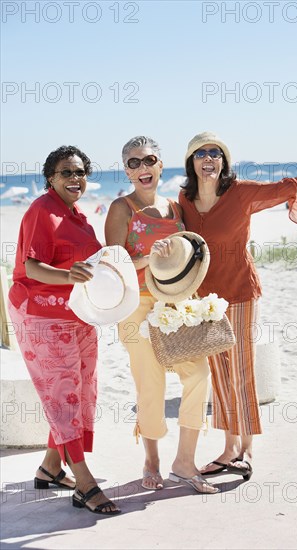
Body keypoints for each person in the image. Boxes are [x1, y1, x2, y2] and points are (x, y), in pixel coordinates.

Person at [179, 131, 297, 479]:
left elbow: (289, 185)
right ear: (191, 161)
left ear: (224, 161)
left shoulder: (241, 193)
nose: (209, 159)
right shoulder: (184, 199)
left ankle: (246, 450)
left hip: (238, 292)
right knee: (219, 374)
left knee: (241, 371)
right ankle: (228, 449)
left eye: (215, 153)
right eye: (201, 153)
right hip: (203, 300)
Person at [8, 145, 121, 515]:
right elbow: (32, 267)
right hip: (41, 314)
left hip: (77, 313)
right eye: (66, 172)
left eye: (80, 172)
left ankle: (50, 469)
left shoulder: (79, 217)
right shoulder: (42, 210)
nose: (75, 178)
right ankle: (84, 483)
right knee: (63, 395)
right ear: (50, 178)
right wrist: (67, 275)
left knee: (83, 389)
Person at [104, 136, 219, 494]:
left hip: (174, 302)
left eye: (148, 160)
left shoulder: (174, 207)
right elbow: (112, 264)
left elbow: (183, 258)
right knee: (150, 382)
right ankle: (151, 460)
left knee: (198, 372)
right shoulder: (121, 209)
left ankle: (184, 463)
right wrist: (149, 255)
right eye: (134, 162)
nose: (142, 168)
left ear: (159, 165)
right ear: (126, 170)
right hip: (136, 305)